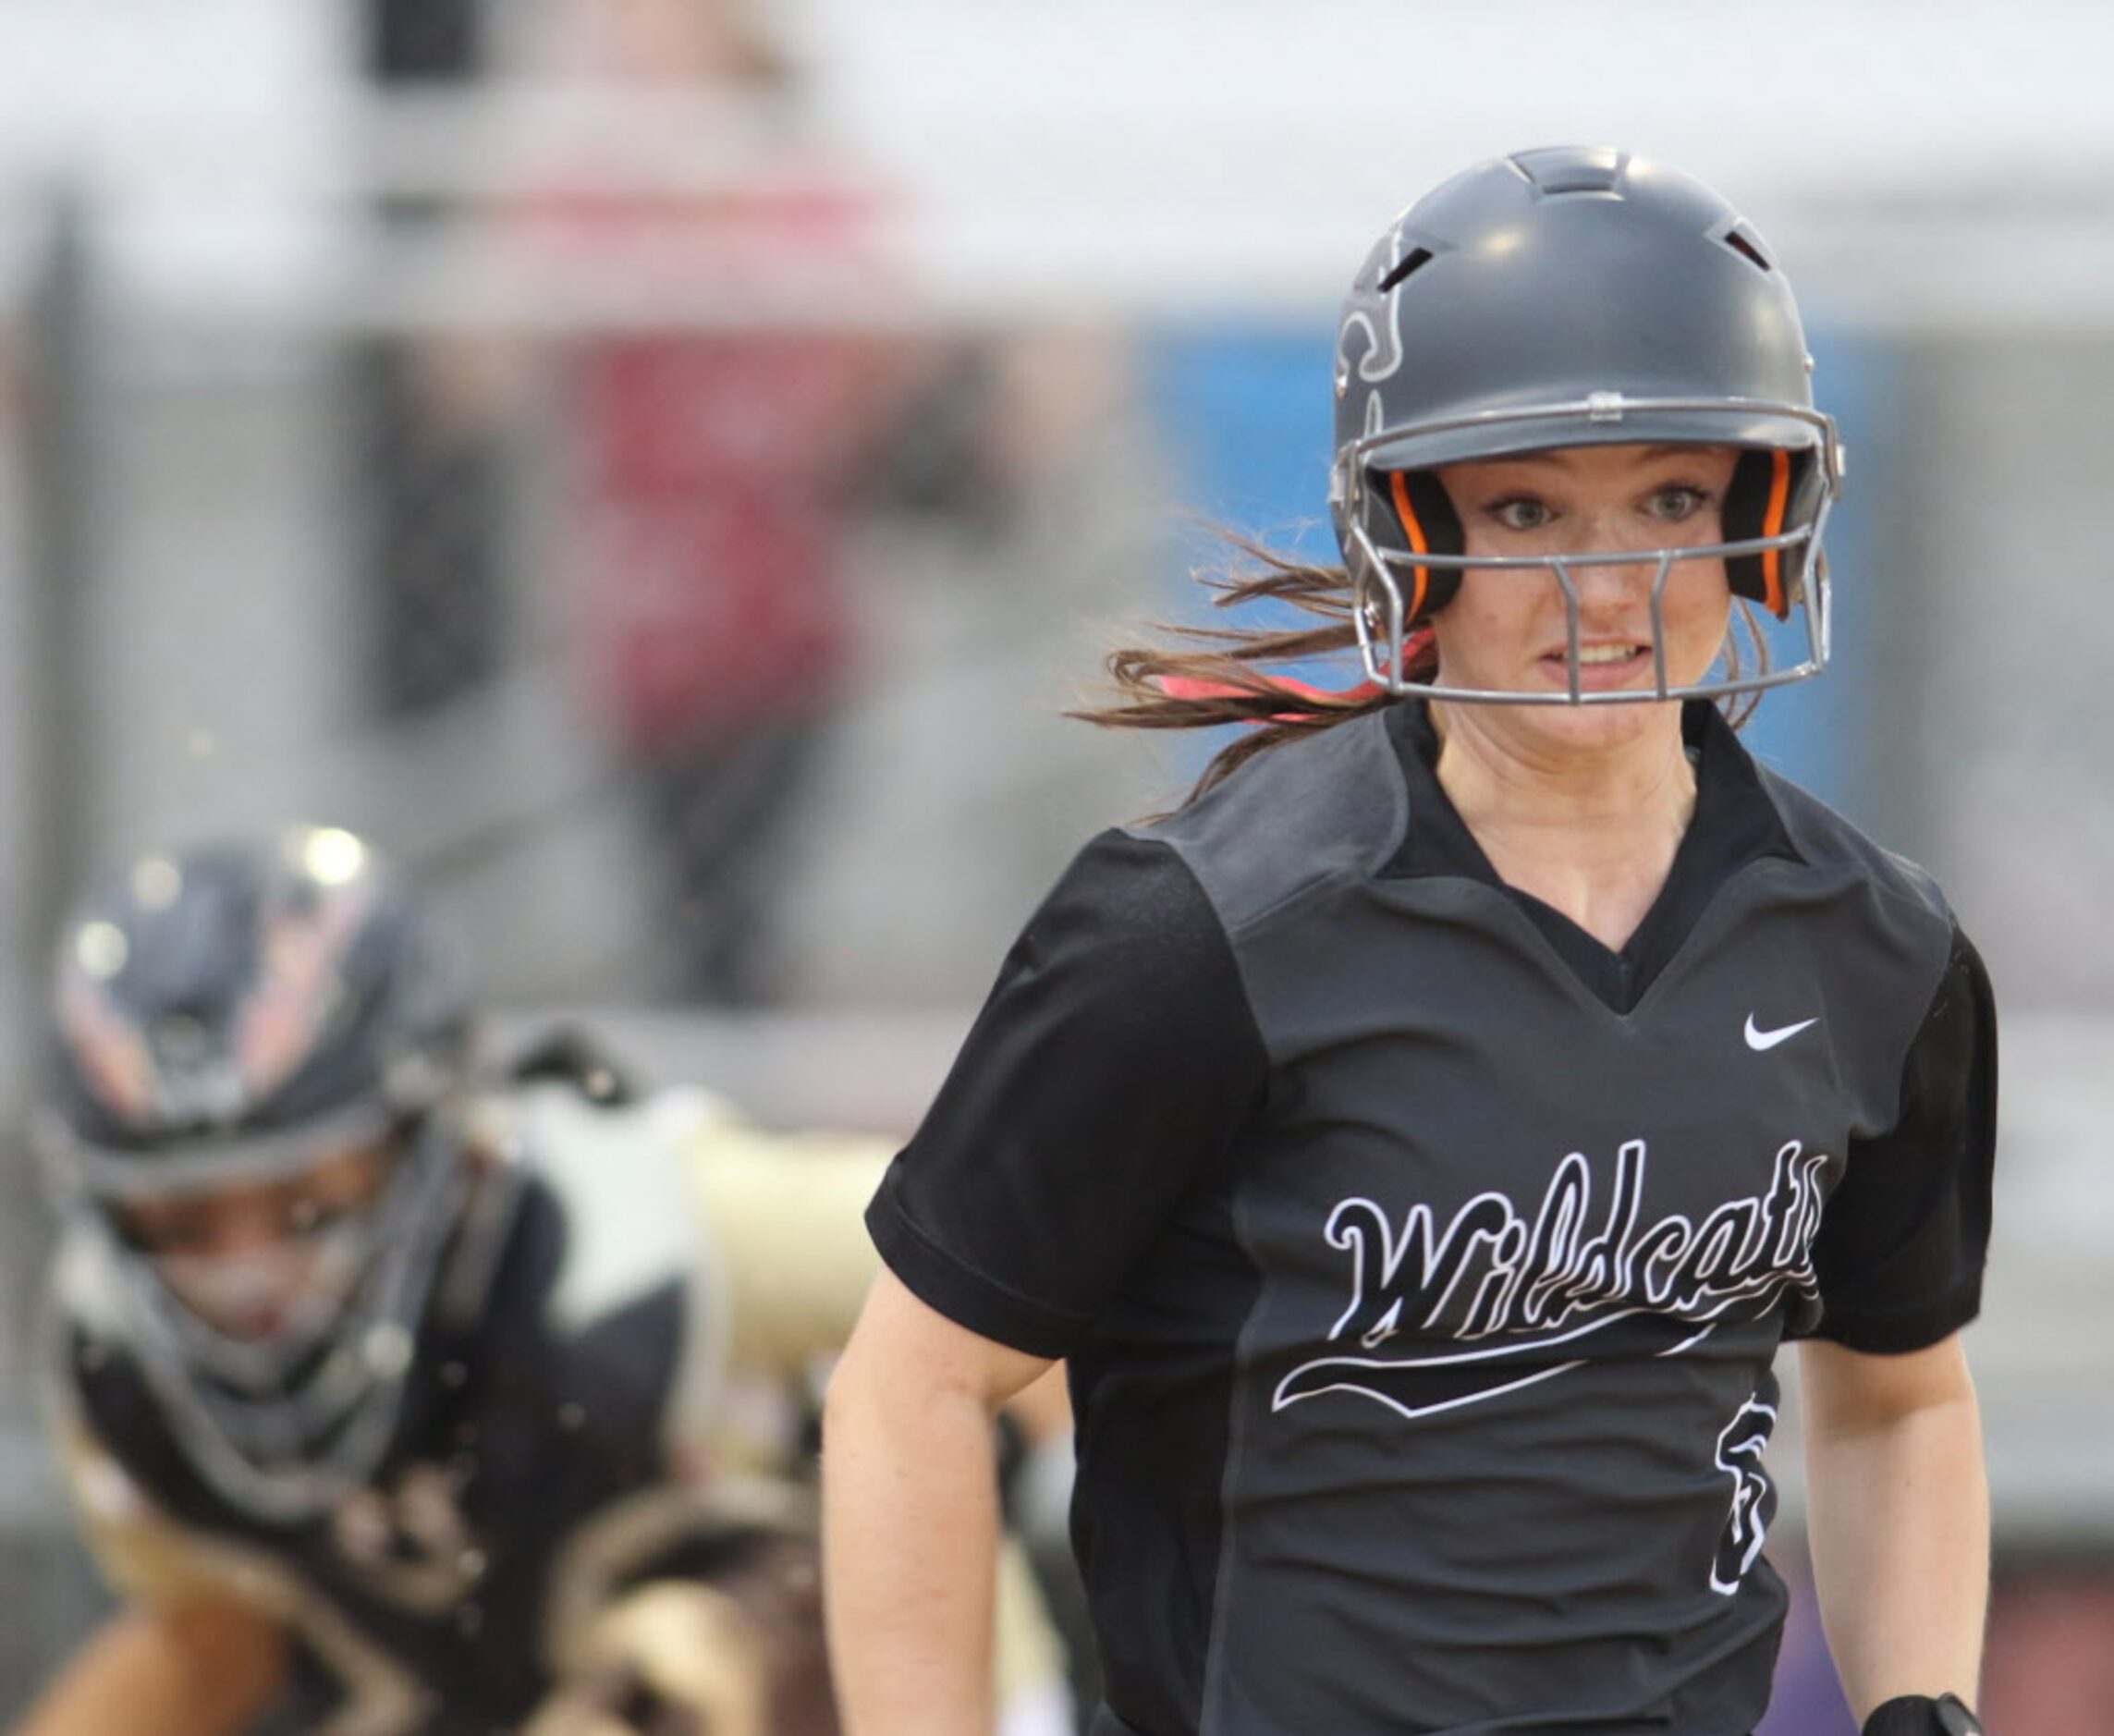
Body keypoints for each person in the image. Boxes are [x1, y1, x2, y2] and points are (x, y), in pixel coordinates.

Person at [822, 147, 1996, 1736]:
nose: (1606, 586)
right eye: (1524, 508)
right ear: (1405, 530)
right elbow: (914, 1384)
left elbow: (1896, 1396)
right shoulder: (1200, 935)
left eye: (1668, 499)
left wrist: (1922, 1703)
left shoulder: (1876, 951)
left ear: (1764, 517)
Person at [15, 825, 1070, 1736]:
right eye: (180, 1215)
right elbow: (221, 1629)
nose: (250, 1268)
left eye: (302, 1187)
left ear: (430, 1129)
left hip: (897, 1693)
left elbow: (1029, 1271)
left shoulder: (650, 1226)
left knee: (681, 1653)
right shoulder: (114, 1362)